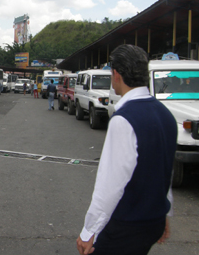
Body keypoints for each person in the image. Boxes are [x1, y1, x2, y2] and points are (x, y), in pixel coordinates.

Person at [76, 44, 177, 255]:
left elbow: (111, 184)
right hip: (153, 222)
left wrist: (89, 230)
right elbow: (165, 170)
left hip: (127, 226)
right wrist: (165, 212)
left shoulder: (125, 119)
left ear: (116, 74)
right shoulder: (165, 114)